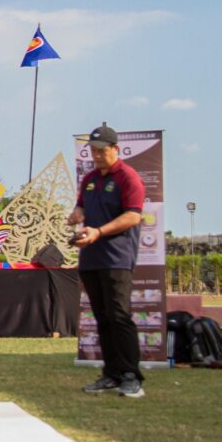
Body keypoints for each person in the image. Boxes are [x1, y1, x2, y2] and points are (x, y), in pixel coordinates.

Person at [67, 123, 147, 398]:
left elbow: (134, 216)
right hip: (90, 257)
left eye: (102, 150)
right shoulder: (89, 178)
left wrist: (99, 231)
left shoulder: (128, 177)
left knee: (119, 316)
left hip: (117, 257)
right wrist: (76, 214)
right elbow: (81, 205)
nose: (97, 155)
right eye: (93, 150)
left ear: (115, 149)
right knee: (102, 318)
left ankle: (131, 375)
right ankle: (110, 373)